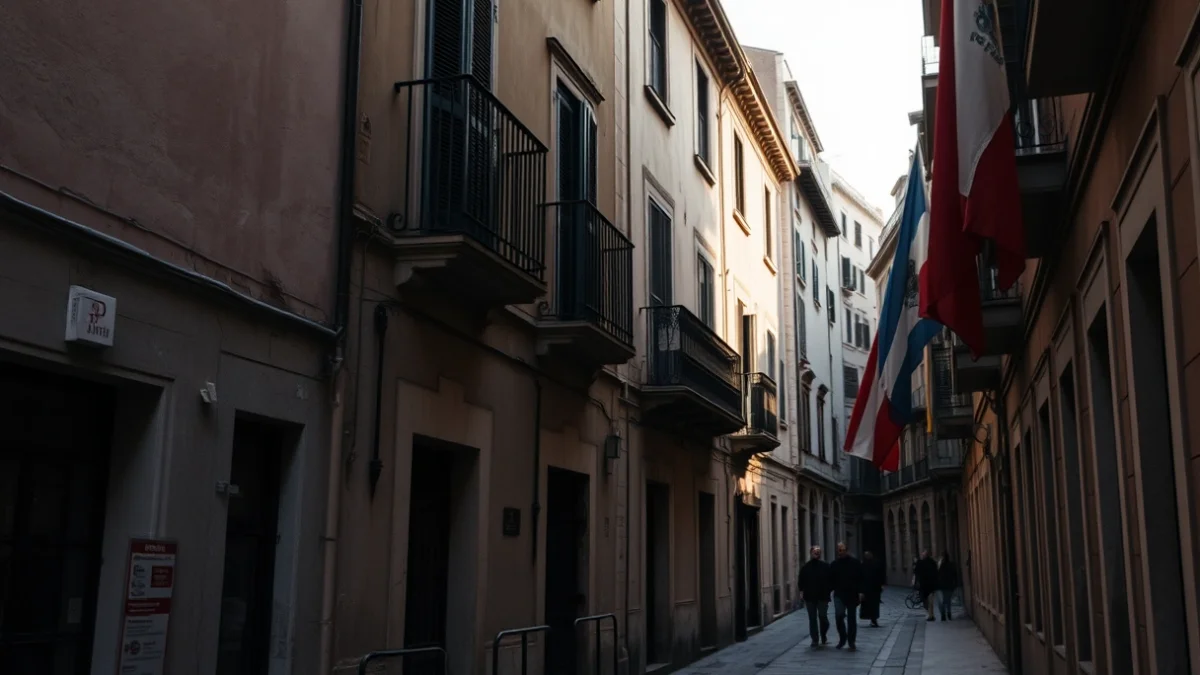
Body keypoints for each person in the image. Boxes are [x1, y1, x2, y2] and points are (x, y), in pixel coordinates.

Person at [829, 542, 865, 651]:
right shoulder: (834, 564)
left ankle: (851, 641)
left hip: (852, 594)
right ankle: (842, 638)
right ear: (837, 551)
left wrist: (861, 592)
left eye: (843, 549)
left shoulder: (855, 563)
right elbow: (830, 580)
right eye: (840, 550)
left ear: (847, 550)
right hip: (839, 594)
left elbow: (861, 577)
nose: (842, 552)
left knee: (851, 619)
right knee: (839, 616)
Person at [797, 545, 832, 648]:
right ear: (811, 553)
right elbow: (801, 581)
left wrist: (828, 590)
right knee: (812, 619)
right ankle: (815, 639)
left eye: (818, 552)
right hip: (810, 597)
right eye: (815, 552)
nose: (817, 553)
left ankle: (824, 634)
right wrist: (801, 592)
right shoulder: (805, 567)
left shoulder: (825, 566)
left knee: (823, 617)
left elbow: (831, 580)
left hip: (823, 596)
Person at [860, 550, 886, 627]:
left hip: (874, 588)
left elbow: (881, 574)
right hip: (869, 588)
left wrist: (881, 584)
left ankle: (873, 619)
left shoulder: (874, 564)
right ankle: (872, 619)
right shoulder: (863, 565)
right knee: (870, 604)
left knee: (873, 605)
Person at [914, 549, 939, 622]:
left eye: (923, 555)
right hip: (931, 586)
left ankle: (931, 615)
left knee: (926, 601)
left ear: (925, 555)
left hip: (925, 586)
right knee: (930, 602)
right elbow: (936, 573)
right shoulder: (933, 563)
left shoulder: (921, 563)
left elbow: (916, 572)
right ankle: (931, 615)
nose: (922, 556)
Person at [937, 551, 958, 621]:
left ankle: (943, 615)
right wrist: (955, 584)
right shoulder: (952, 565)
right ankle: (949, 613)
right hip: (950, 585)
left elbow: (939, 575)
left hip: (943, 586)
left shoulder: (942, 566)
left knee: (943, 601)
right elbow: (955, 575)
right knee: (948, 600)